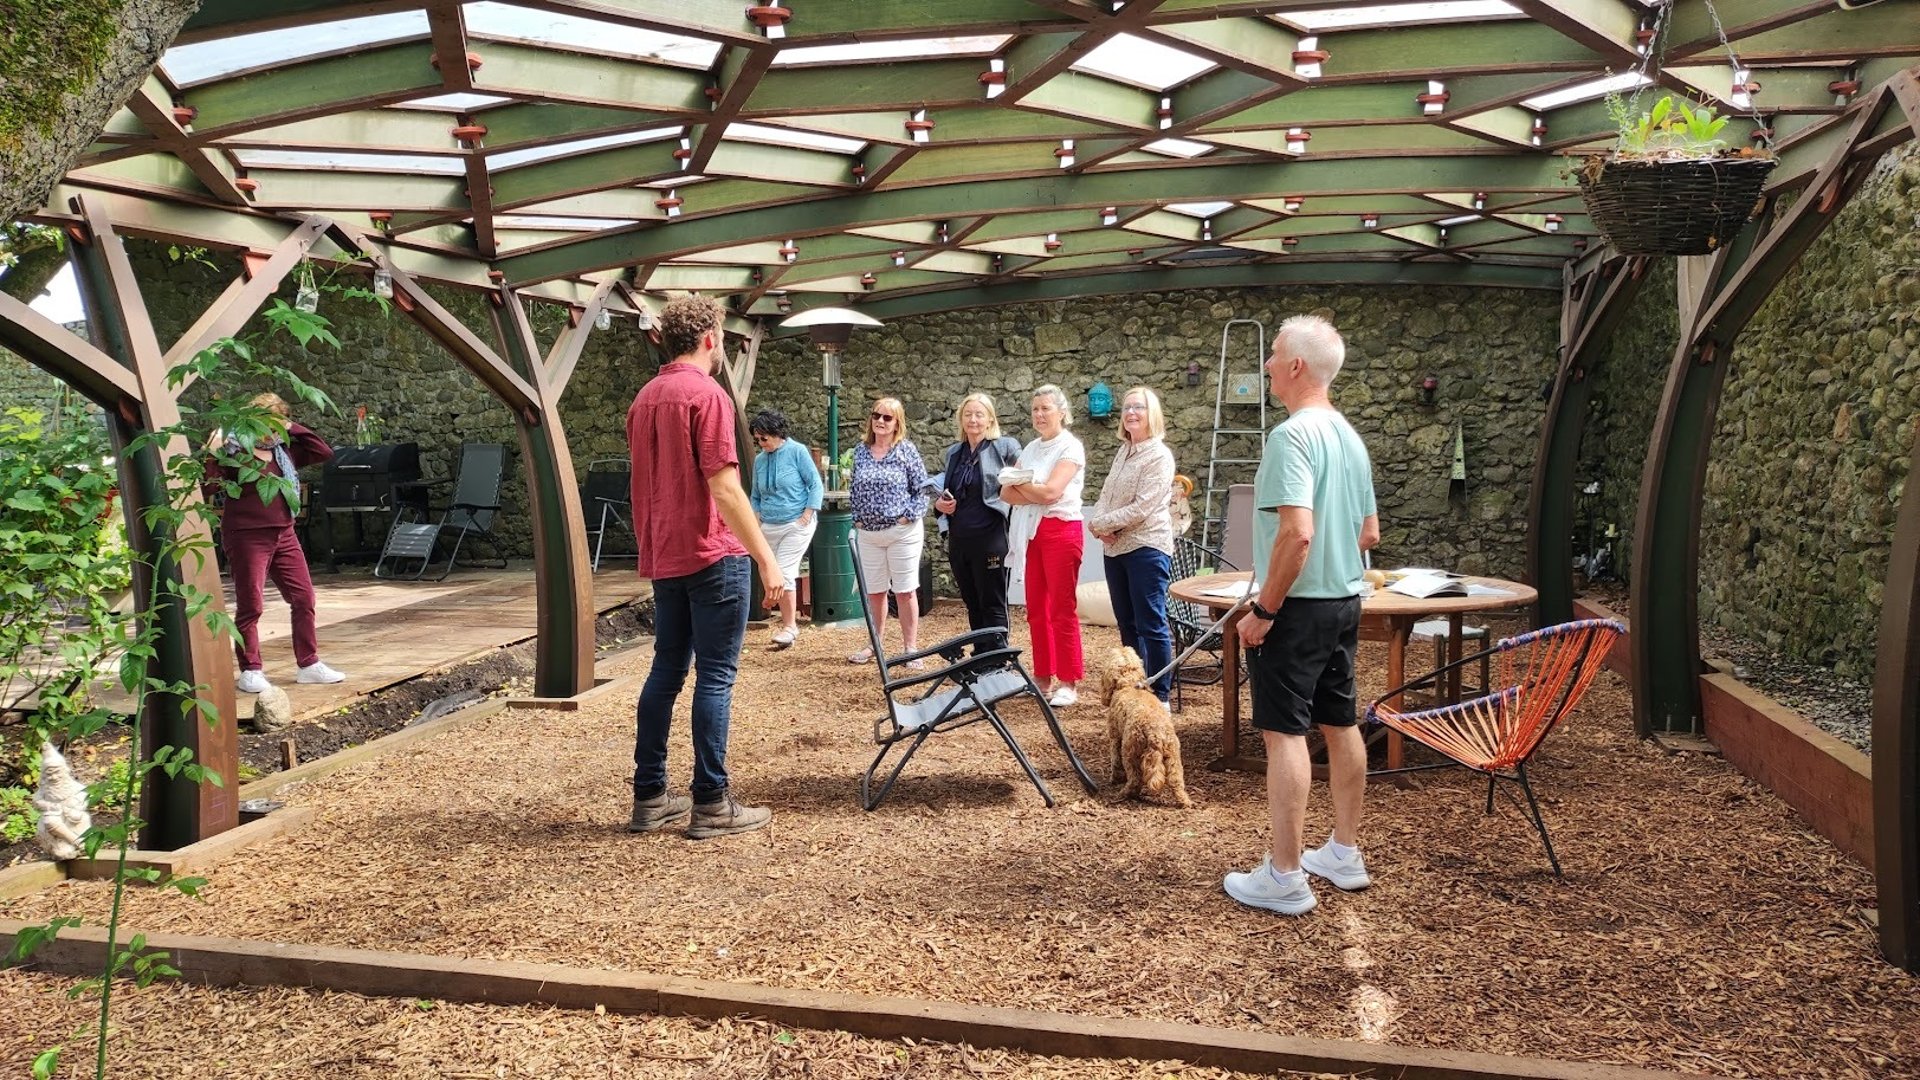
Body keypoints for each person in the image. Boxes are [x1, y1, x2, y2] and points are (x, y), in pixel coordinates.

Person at [1223, 314, 1380, 917]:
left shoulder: (1291, 437)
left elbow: (1297, 535)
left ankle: (1285, 876)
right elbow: (1368, 533)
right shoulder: (1350, 436)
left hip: (1297, 608)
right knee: (1340, 723)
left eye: (1274, 355)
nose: (1265, 366)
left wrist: (1265, 607)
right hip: (1343, 602)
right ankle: (1343, 852)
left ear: (1295, 368)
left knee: (1284, 734)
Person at [627, 293, 786, 840]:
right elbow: (724, 487)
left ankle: (649, 797)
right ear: (711, 339)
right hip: (714, 555)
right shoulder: (707, 395)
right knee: (715, 676)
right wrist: (768, 559)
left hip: (665, 554)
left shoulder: (645, 398)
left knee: (666, 670)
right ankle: (712, 802)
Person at [215, 392, 345, 693]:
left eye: (276, 424)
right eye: (265, 423)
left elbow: (323, 451)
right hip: (246, 536)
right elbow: (208, 483)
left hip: (284, 533)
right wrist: (211, 451)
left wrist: (292, 426)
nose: (271, 430)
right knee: (251, 605)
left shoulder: (283, 452)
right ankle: (251, 669)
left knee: (303, 599)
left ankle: (309, 664)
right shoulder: (233, 454)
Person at [1088, 387, 1177, 707]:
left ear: (1151, 413)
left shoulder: (1159, 455)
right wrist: (1097, 523)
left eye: (1138, 407)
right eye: (1126, 408)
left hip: (1146, 547)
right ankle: (1135, 689)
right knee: (1126, 622)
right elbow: (1105, 496)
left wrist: (1104, 524)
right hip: (1114, 549)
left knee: (1150, 623)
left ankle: (1161, 694)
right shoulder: (1123, 451)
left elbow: (1144, 507)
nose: (1131, 413)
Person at [1003, 385, 1086, 707]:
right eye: (1035, 409)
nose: (1039, 414)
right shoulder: (1032, 447)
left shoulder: (1071, 446)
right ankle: (1042, 674)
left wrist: (1023, 485)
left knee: (1061, 609)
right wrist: (1031, 489)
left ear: (1061, 412)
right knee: (1036, 608)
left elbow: (1053, 493)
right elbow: (1006, 495)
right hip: (1032, 532)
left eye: (1045, 409)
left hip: (1060, 529)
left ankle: (1068, 679)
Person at [932, 393, 1021, 657]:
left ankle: (998, 657)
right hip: (960, 538)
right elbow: (946, 491)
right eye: (968, 414)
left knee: (992, 600)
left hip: (990, 535)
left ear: (990, 419)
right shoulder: (954, 453)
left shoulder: (1003, 446)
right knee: (972, 601)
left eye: (979, 414)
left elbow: (1026, 471)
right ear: (961, 419)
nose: (973, 419)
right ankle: (981, 657)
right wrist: (940, 505)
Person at [847, 396, 930, 664]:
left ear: (897, 423)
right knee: (874, 591)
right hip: (869, 534)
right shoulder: (860, 451)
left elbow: (922, 490)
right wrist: (857, 517)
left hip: (901, 533)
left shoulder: (906, 450)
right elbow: (854, 489)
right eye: (876, 416)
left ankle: (910, 648)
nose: (880, 421)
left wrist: (909, 516)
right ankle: (875, 645)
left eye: (887, 417)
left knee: (905, 591)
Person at [749, 409, 823, 651]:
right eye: (757, 439)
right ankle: (779, 612)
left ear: (776, 433)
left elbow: (814, 484)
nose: (761, 444)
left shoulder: (798, 451)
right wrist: (757, 519)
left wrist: (808, 514)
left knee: (784, 572)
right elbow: (756, 495)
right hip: (768, 524)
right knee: (768, 568)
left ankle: (790, 626)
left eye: (764, 438)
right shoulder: (760, 460)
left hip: (795, 524)